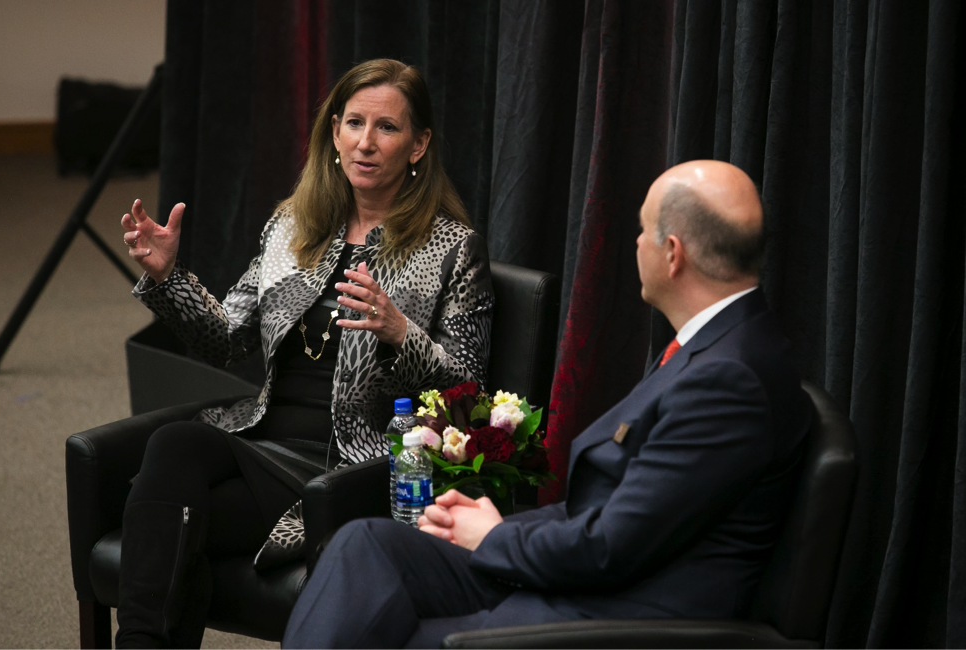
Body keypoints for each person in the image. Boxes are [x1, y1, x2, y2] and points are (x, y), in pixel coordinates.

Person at [281, 160, 813, 649]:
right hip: (575, 581)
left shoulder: (729, 379)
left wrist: (492, 538)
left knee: (388, 633)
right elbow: (619, 509)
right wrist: (496, 529)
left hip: (606, 615)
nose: (635, 245)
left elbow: (610, 547)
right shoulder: (716, 345)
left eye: (641, 230)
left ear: (672, 254)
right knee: (367, 544)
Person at [114, 59, 493, 649]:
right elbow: (227, 338)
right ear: (333, 134)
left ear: (418, 145)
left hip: (353, 462)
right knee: (176, 455)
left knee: (173, 517)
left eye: (387, 128)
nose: (366, 143)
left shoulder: (450, 248)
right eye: (353, 123)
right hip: (262, 444)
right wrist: (169, 280)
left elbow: (467, 391)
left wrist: (399, 331)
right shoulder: (294, 225)